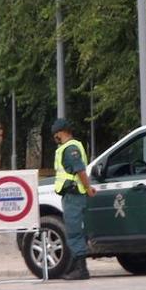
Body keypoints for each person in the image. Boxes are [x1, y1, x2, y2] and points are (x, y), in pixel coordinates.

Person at [51, 117, 94, 280]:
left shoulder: (70, 148)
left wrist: (88, 188)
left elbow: (80, 171)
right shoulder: (70, 147)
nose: (55, 138)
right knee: (74, 230)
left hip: (73, 196)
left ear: (60, 133)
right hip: (73, 194)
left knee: (74, 231)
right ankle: (75, 267)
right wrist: (88, 187)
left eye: (55, 134)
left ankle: (81, 270)